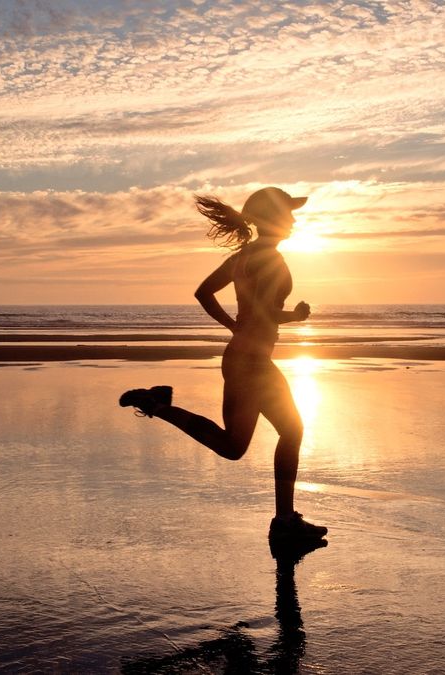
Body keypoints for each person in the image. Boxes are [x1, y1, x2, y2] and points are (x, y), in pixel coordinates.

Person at [120, 187, 327, 542]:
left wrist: (234, 325)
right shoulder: (271, 259)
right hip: (253, 362)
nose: (293, 220)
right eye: (288, 213)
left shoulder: (243, 257)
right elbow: (264, 310)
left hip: (238, 358)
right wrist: (293, 315)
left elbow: (204, 292)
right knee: (291, 430)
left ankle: (157, 404)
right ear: (272, 218)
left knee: (233, 446)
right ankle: (284, 521)